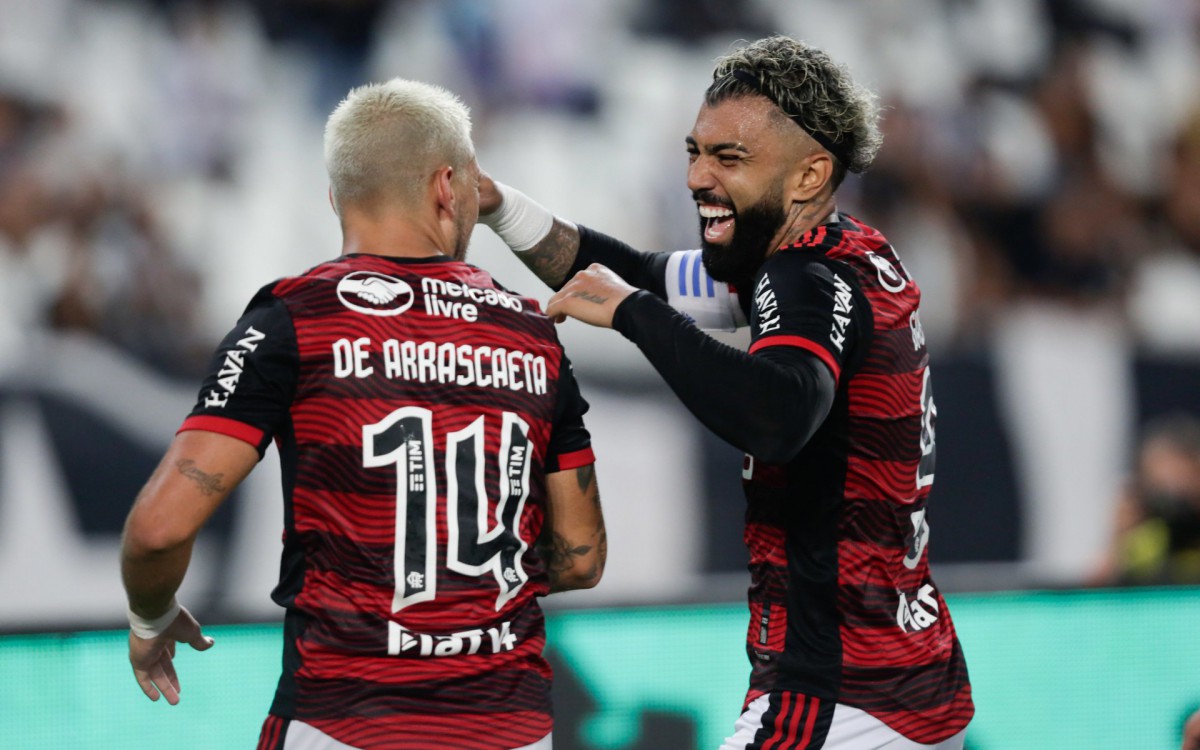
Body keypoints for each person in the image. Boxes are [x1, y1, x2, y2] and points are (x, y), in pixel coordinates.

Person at [479, 35, 972, 749]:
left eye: (728, 158)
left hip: (837, 693)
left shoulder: (804, 278)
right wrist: (501, 206)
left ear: (808, 175)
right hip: (910, 676)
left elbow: (779, 414)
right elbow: (638, 273)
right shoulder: (851, 250)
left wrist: (631, 316)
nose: (696, 178)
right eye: (694, 151)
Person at [120, 78, 606, 750]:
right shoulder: (533, 334)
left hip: (343, 721)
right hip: (509, 728)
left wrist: (150, 619)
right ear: (448, 188)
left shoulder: (293, 320)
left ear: (335, 199)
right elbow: (581, 558)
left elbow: (157, 529)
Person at [1091, 413, 1200, 586]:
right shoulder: (1143, 539)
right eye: (1161, 488)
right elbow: (1095, 596)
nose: (1174, 504)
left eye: (1180, 488)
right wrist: (1116, 540)